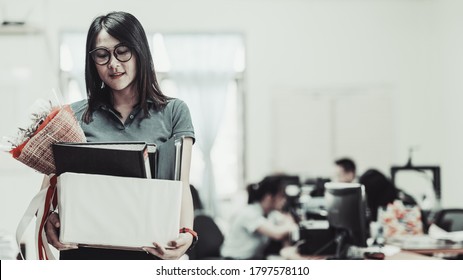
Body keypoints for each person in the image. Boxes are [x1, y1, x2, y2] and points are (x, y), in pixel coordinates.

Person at [44, 11, 196, 260]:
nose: (113, 64)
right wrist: (49, 218)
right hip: (86, 253)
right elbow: (52, 188)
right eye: (102, 55)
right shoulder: (72, 115)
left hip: (150, 249)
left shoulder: (174, 112)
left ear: (140, 52)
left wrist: (187, 233)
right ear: (92, 62)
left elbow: (181, 185)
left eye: (122, 51)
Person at [220, 175, 298, 260]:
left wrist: (289, 226)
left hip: (254, 259)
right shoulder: (249, 213)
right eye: (281, 196)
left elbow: (286, 223)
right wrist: (292, 226)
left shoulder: (271, 213)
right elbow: (277, 233)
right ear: (269, 197)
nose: (284, 200)